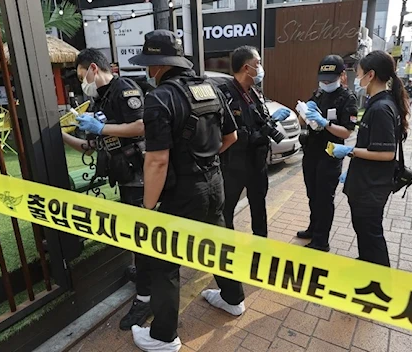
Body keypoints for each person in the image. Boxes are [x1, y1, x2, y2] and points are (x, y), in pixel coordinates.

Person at [128, 30, 244, 352]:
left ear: (158, 64)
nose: (148, 71)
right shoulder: (212, 89)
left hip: (182, 194)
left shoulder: (160, 97)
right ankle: (233, 299)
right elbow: (231, 137)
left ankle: (164, 337)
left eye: (150, 64)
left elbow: (157, 162)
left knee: (165, 263)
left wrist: (149, 209)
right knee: (219, 245)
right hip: (215, 184)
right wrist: (205, 163)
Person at [64, 48, 152, 331]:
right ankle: (145, 276)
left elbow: (142, 126)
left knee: (142, 237)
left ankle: (146, 297)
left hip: (140, 176)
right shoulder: (99, 100)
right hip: (125, 178)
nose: (82, 83)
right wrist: (61, 136)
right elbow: (92, 145)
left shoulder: (124, 89)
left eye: (81, 76)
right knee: (137, 236)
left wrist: (102, 130)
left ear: (92, 68)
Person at [329, 50, 409, 267]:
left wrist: (349, 151)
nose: (357, 78)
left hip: (371, 187)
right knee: (364, 233)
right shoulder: (377, 103)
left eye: (359, 73)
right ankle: (366, 267)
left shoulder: (382, 108)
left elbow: (387, 153)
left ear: (370, 75)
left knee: (372, 236)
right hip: (365, 183)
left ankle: (380, 283)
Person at [212, 46, 290, 238]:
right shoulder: (224, 94)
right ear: (247, 68)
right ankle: (227, 250)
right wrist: (251, 134)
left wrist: (269, 123)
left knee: (259, 206)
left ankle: (259, 249)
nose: (261, 67)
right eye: (258, 63)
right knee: (227, 209)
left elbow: (260, 120)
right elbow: (222, 133)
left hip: (257, 162)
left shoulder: (255, 93)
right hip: (234, 165)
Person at [295, 55, 358, 252]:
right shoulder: (318, 94)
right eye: (323, 79)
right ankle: (313, 229)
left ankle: (321, 241)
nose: (326, 83)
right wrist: (304, 113)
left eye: (330, 79)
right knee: (312, 195)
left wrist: (326, 124)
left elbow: (347, 131)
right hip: (312, 153)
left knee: (324, 198)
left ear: (341, 75)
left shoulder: (347, 98)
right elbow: (302, 119)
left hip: (330, 155)